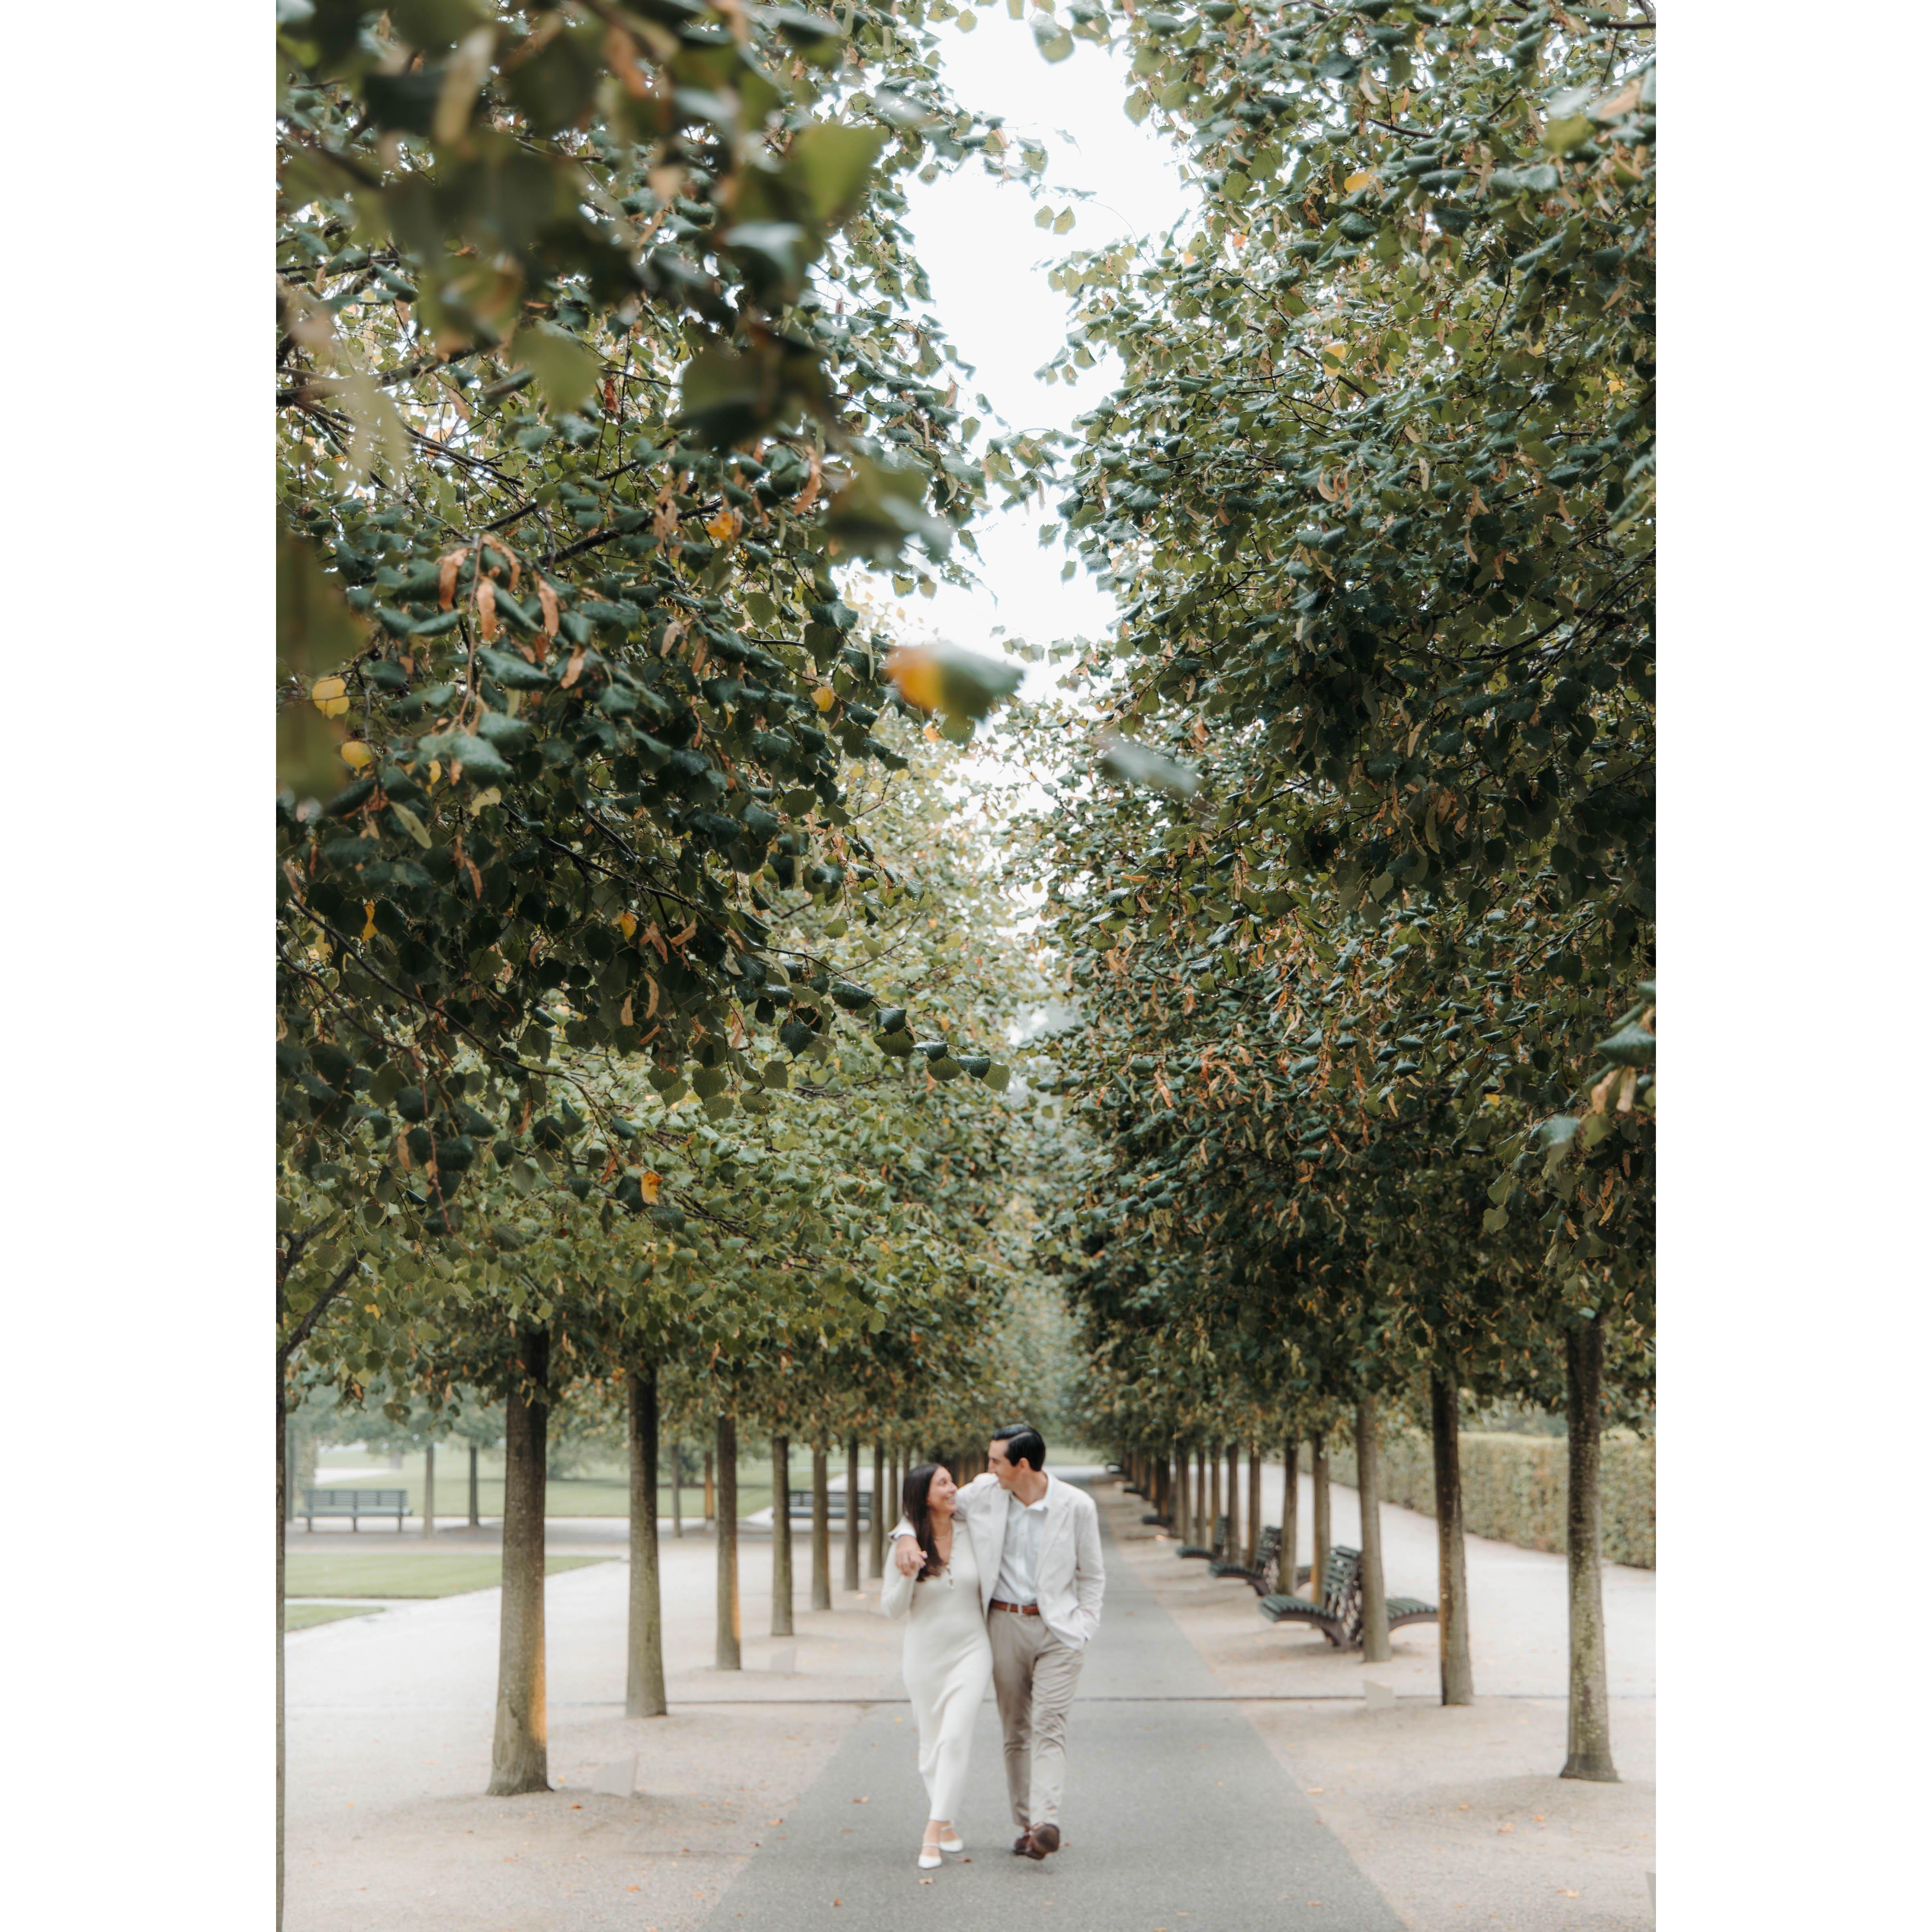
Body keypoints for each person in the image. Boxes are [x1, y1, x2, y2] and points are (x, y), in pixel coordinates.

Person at [890, 1425, 1105, 1861]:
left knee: (1049, 1724)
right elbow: (925, 1504)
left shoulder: (1077, 1506)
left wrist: (1084, 1626)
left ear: (1021, 1465)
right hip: (1004, 1624)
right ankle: (1026, 1825)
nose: (986, 1468)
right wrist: (905, 1535)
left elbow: (1093, 1574)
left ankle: (1045, 1821)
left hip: (1060, 1632)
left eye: (994, 1460)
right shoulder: (985, 1493)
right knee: (1016, 1730)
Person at [880, 1462, 993, 1869]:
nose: (953, 1488)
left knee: (955, 1737)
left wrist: (904, 1530)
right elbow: (891, 1609)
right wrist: (908, 1573)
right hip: (924, 1655)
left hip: (972, 1650)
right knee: (931, 1745)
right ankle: (946, 1822)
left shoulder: (972, 1531)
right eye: (942, 1483)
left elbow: (990, 1483)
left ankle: (932, 1830)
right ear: (923, 1496)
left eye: (951, 1480)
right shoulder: (905, 1545)